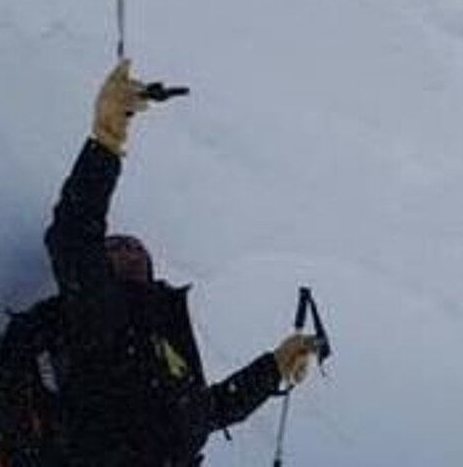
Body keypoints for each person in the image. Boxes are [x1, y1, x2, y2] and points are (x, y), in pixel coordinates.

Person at [44, 60, 316, 466]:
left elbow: (210, 411)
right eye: (119, 247)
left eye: (137, 249)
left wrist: (275, 366)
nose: (131, 251)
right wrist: (106, 140)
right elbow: (73, 233)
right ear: (102, 266)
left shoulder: (158, 341)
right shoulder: (101, 316)